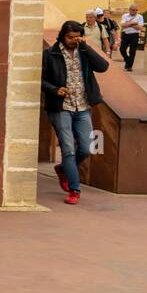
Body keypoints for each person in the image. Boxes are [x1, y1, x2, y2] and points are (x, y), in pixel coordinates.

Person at [40, 20, 108, 205]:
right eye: (70, 37)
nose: (73, 41)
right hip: (61, 107)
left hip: (83, 106)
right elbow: (40, 79)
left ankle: (63, 169)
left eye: (77, 37)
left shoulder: (83, 52)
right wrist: (55, 90)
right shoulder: (50, 54)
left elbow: (103, 67)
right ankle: (74, 189)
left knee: (86, 148)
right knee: (68, 149)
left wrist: (86, 47)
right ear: (62, 36)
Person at [119, 5, 144, 71]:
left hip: (134, 35)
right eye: (133, 10)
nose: (135, 11)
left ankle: (129, 66)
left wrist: (128, 24)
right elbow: (122, 25)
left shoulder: (140, 17)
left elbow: (140, 28)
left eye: (136, 10)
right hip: (125, 35)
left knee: (132, 51)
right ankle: (128, 61)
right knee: (122, 49)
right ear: (129, 10)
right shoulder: (125, 15)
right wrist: (133, 23)